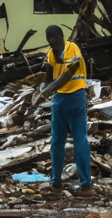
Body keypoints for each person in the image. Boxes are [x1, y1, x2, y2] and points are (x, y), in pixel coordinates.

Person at [38, 25, 94, 196]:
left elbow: (68, 74)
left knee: (80, 141)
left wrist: (49, 89)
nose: (51, 40)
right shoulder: (51, 54)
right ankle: (56, 183)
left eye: (54, 37)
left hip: (75, 96)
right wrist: (41, 91)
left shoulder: (72, 48)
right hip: (59, 100)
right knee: (56, 142)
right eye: (48, 37)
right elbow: (48, 77)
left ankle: (86, 185)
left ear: (61, 36)